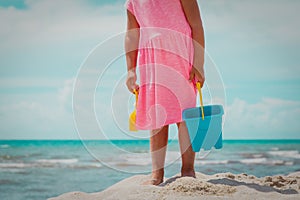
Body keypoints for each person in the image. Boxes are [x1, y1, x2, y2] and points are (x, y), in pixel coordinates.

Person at [125, 0, 205, 185]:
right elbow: (131, 35)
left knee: (185, 114)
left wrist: (199, 62)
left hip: (181, 55)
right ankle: (157, 174)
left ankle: (187, 169)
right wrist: (130, 70)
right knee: (156, 116)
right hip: (151, 61)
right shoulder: (133, 2)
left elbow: (196, 24)